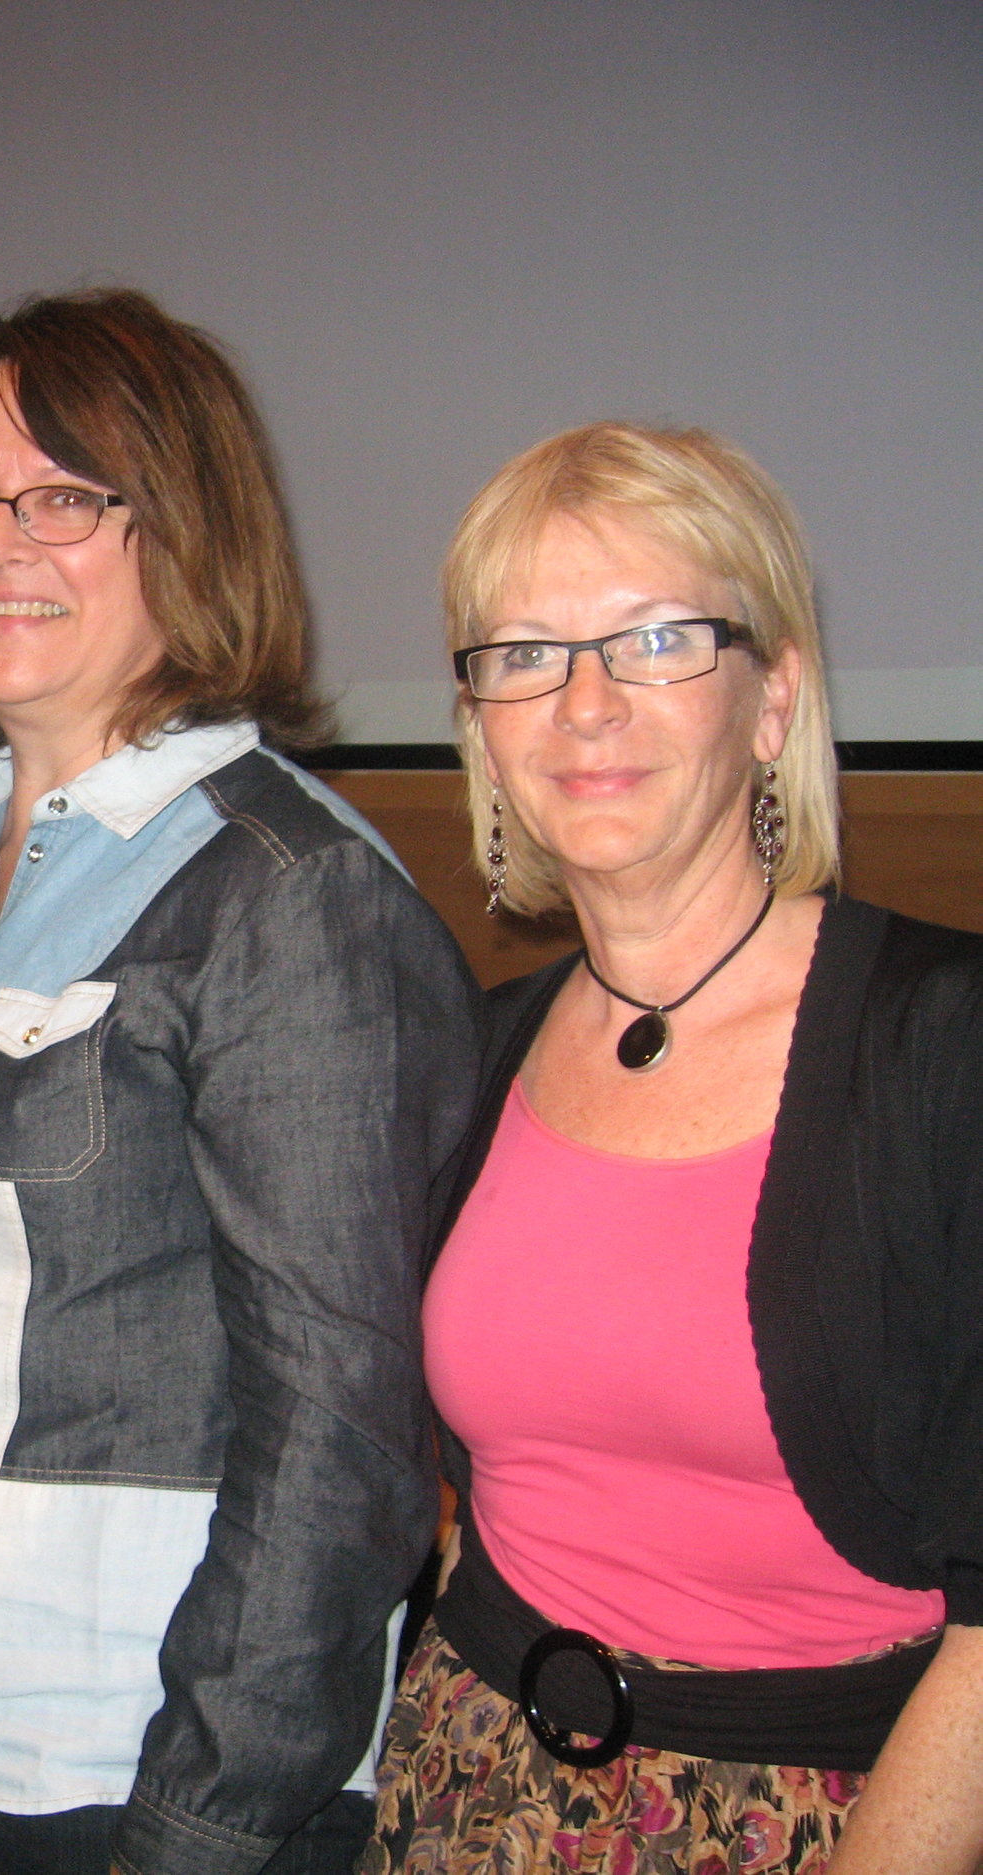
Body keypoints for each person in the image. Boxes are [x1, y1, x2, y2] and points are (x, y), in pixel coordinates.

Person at [0, 287, 482, 1875]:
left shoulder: (286, 890)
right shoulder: (0, 846)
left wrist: (202, 1819)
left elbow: (345, 1437)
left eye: (64, 497)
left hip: (123, 1760)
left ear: (184, 524)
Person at [364, 423, 983, 1874]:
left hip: (821, 1816)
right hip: (470, 1786)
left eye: (654, 639)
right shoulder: (481, 1044)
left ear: (773, 702)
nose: (583, 703)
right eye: (522, 652)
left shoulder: (947, 1043)